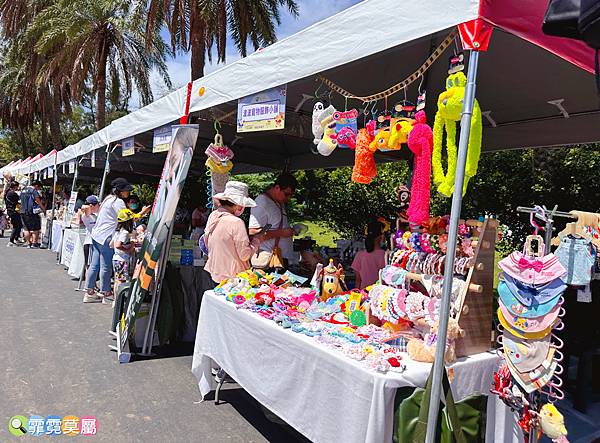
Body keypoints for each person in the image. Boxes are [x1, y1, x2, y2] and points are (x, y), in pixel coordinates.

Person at [83, 178, 150, 303]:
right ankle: (106, 293)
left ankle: (89, 291)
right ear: (120, 191)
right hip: (106, 236)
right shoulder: (117, 201)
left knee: (94, 264)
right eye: (126, 190)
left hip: (97, 235)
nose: (128, 193)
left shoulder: (108, 198)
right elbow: (128, 218)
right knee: (105, 266)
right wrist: (142, 213)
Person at [204, 181, 263, 284]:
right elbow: (244, 255)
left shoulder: (213, 216)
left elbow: (207, 241)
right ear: (238, 205)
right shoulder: (236, 222)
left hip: (216, 272)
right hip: (234, 278)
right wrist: (256, 241)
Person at [248, 173, 298, 268]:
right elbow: (253, 232)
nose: (288, 198)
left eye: (290, 195)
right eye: (286, 194)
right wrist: (282, 233)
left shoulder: (278, 202)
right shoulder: (262, 201)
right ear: (277, 188)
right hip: (269, 261)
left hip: (281, 259)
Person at [351, 220, 387, 289]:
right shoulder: (385, 255)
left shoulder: (359, 255)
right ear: (381, 236)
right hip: (381, 294)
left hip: (364, 294)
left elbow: (358, 281)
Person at [111, 208, 136, 304]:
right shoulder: (125, 232)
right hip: (121, 260)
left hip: (116, 259)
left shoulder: (118, 231)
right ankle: (118, 301)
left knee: (117, 280)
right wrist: (128, 249)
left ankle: (116, 300)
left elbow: (111, 244)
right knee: (121, 281)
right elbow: (117, 245)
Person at [20, 180, 46, 248]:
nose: (39, 189)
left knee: (26, 228)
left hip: (23, 211)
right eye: (39, 188)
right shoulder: (33, 191)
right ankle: (34, 243)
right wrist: (43, 209)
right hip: (31, 212)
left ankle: (28, 243)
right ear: (36, 185)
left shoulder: (23, 190)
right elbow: (38, 201)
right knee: (35, 228)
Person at [79, 195, 100, 277]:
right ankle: (89, 286)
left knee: (94, 265)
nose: (99, 206)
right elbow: (86, 210)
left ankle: (92, 285)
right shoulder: (85, 216)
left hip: (96, 243)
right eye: (97, 204)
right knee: (89, 266)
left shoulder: (97, 214)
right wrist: (87, 206)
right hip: (90, 243)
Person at [4, 181, 22, 246]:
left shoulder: (8, 192)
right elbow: (19, 200)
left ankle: (15, 239)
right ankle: (11, 241)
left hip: (10, 210)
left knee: (18, 225)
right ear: (15, 186)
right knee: (17, 225)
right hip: (13, 211)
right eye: (17, 186)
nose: (18, 187)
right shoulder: (12, 193)